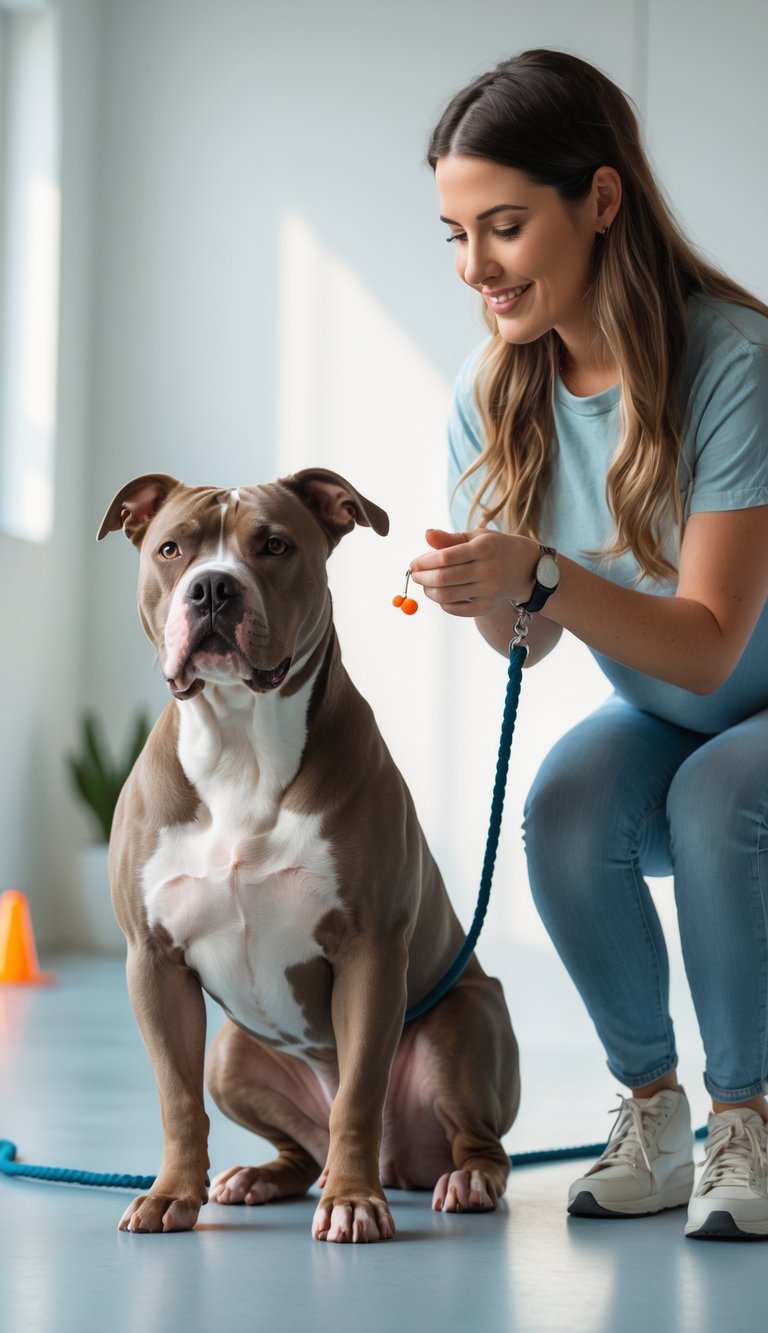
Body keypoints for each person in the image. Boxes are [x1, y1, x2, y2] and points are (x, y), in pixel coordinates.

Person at [408, 48, 768, 1241]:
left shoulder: (734, 365)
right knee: (563, 806)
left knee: (722, 796)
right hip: (666, 710)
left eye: (502, 227)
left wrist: (545, 573)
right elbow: (537, 644)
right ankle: (655, 1115)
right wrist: (491, 599)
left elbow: (714, 648)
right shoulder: (490, 390)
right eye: (456, 235)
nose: (477, 269)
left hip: (730, 705)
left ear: (600, 201)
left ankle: (746, 1119)